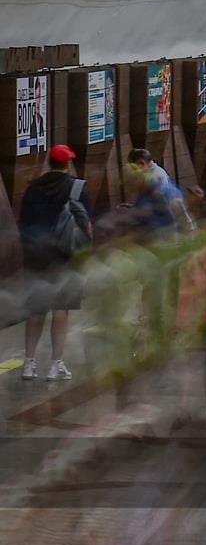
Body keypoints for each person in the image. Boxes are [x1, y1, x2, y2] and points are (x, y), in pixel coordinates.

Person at [19, 144, 91, 381]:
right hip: (65, 256)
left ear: (49, 162)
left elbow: (23, 224)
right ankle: (55, 365)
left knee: (36, 309)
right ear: (68, 164)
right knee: (61, 310)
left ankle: (29, 364)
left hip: (37, 256)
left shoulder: (32, 188)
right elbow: (86, 224)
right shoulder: (76, 187)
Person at [125, 148, 196, 235]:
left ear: (141, 163)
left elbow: (155, 202)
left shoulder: (156, 179)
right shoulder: (150, 179)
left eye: (135, 168)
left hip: (168, 229)